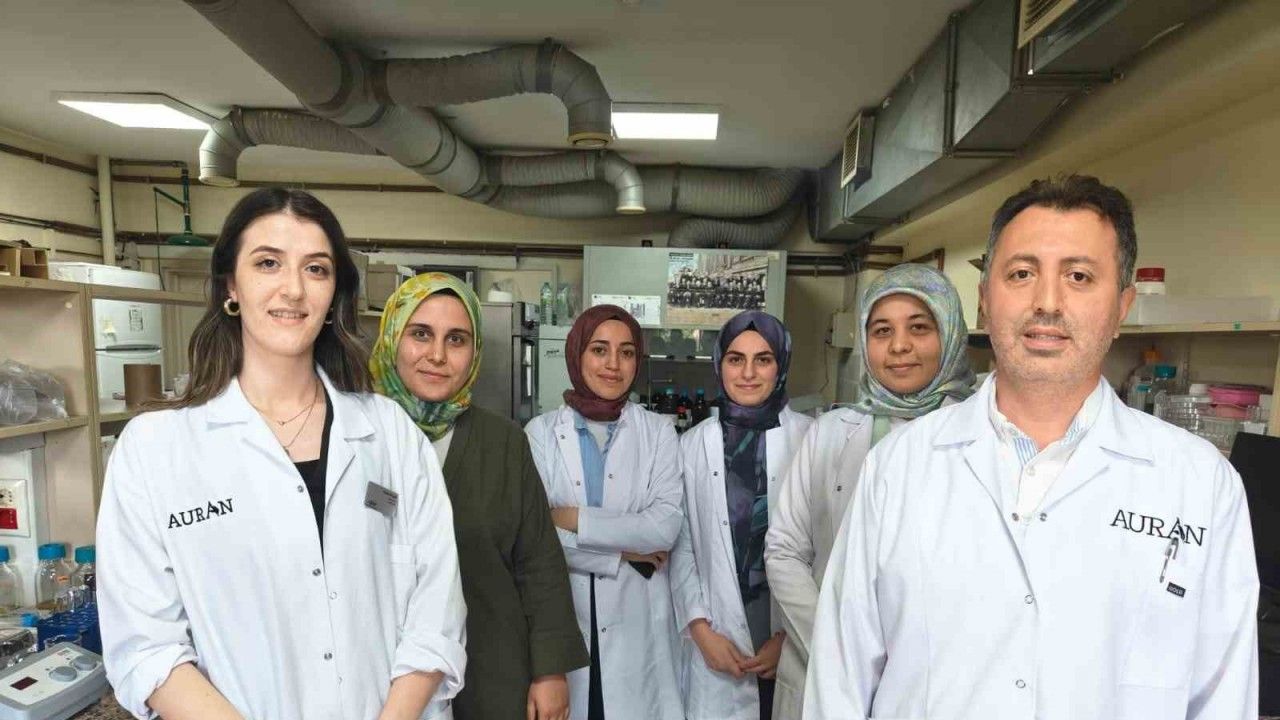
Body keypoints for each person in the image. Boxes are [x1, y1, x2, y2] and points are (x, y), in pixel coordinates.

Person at [803, 175, 1258, 720]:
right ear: (985, 301)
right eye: (1022, 273)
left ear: (1122, 306)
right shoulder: (898, 465)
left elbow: (1223, 696)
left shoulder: (1201, 484)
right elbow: (840, 678)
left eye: (1079, 276)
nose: (1047, 302)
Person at [96, 188, 466, 720]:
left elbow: (437, 611)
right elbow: (146, 647)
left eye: (316, 269)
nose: (293, 289)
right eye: (268, 263)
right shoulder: (154, 449)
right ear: (231, 284)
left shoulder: (390, 434)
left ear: (334, 293)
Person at [370, 272, 588, 720]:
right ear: (392, 338)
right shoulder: (356, 437)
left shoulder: (503, 442)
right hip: (381, 671)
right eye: (420, 334)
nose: (437, 355)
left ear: (474, 352)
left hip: (491, 667)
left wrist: (550, 671)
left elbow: (538, 561)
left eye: (456, 339)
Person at [764, 263, 974, 718]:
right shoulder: (830, 432)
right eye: (882, 331)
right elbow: (784, 549)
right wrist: (837, 647)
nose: (899, 346)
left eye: (919, 327)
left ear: (950, 333)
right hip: (818, 664)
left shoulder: (982, 436)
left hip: (937, 679)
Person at [525, 305, 685, 720]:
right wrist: (621, 554)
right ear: (577, 355)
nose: (613, 364)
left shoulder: (658, 432)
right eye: (599, 349)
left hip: (638, 629)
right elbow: (535, 541)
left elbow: (663, 528)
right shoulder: (540, 434)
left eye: (626, 352)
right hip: (564, 621)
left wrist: (573, 518)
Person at [669, 311, 812, 720]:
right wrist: (700, 629)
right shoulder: (692, 445)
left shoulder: (812, 437)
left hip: (792, 630)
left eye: (763, 359)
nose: (748, 373)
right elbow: (682, 544)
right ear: (720, 364)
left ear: (781, 365)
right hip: (717, 635)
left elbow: (828, 545)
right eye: (736, 359)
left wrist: (792, 637)